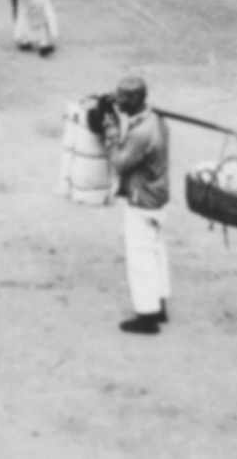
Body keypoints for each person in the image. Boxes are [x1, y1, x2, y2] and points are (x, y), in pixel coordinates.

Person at [101, 77, 171, 335]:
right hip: (157, 196)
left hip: (142, 201)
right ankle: (159, 305)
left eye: (122, 98)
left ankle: (147, 317)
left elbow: (119, 162)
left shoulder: (142, 133)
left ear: (134, 100)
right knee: (156, 253)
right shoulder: (155, 119)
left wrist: (110, 130)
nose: (117, 101)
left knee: (140, 258)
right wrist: (116, 105)